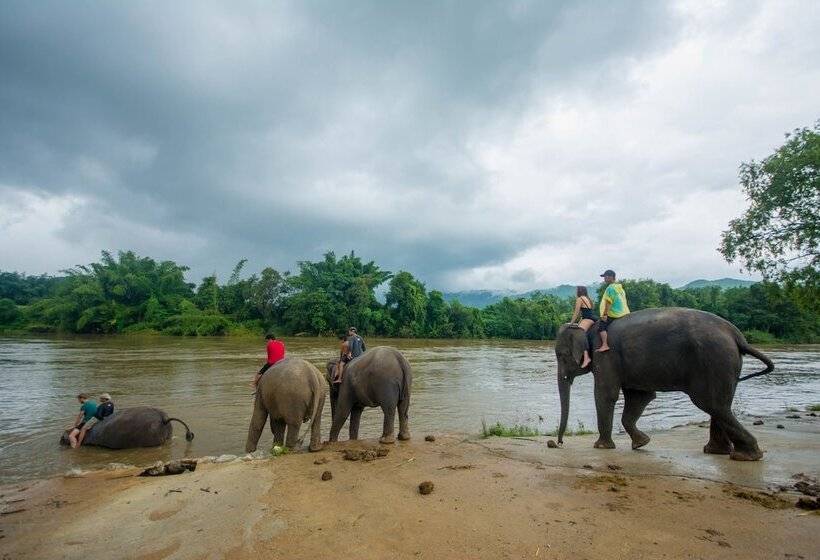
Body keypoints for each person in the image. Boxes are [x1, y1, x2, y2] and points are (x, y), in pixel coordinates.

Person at [596, 270, 630, 353]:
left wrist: (604, 314)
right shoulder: (620, 288)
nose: (604, 279)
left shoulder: (610, 288)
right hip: (624, 313)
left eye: (605, 276)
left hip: (615, 314)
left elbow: (608, 302)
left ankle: (604, 345)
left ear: (610, 277)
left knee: (601, 326)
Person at [570, 286, 597, 368]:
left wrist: (571, 323)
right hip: (592, 317)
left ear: (579, 291)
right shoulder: (588, 298)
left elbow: (576, 312)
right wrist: (579, 322)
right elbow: (586, 312)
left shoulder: (580, 299)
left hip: (588, 319)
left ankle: (586, 357)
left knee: (579, 334)